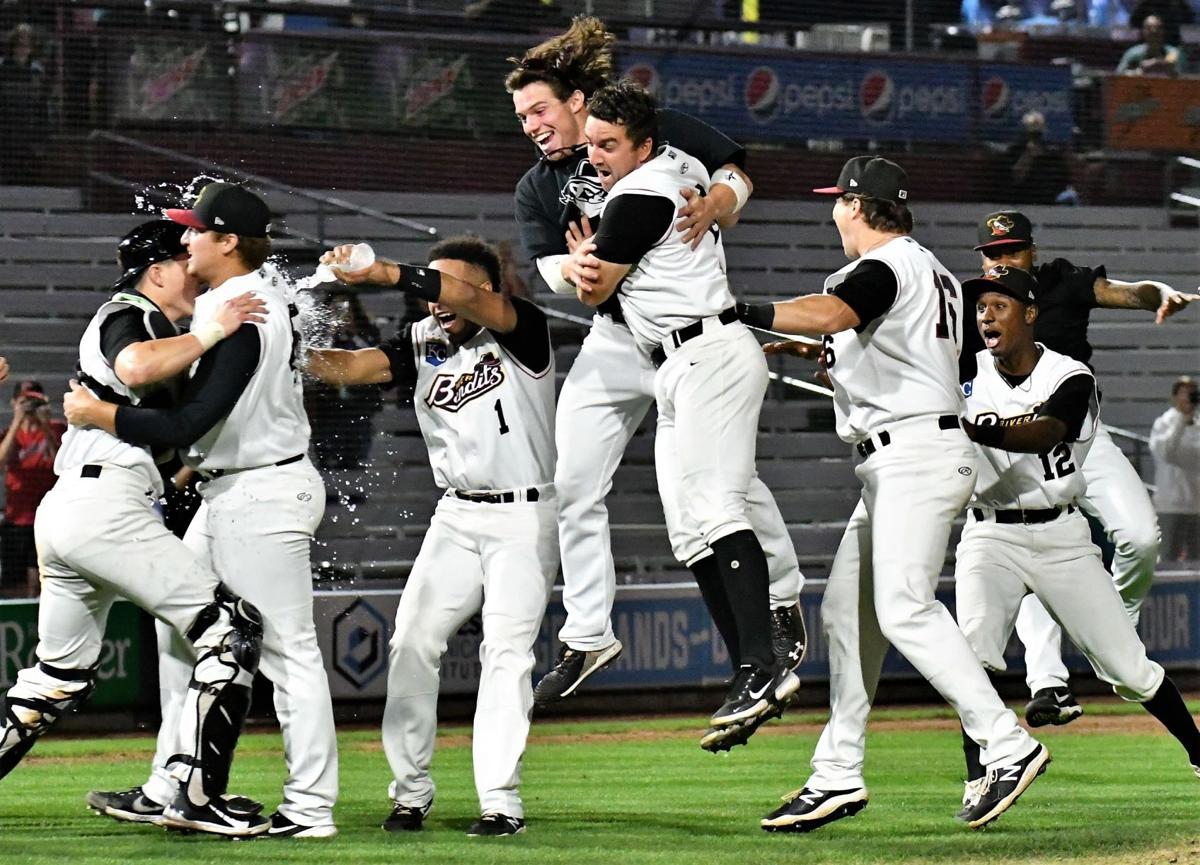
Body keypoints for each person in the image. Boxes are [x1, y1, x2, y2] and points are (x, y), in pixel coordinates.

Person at [508, 17, 806, 730]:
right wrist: (580, 268)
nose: (531, 126)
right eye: (521, 117)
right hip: (622, 338)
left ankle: (778, 612)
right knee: (576, 482)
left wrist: (720, 203)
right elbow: (561, 270)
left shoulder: (649, 136)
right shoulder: (538, 186)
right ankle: (589, 636)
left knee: (721, 492)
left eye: (540, 109)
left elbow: (733, 171)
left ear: (580, 102)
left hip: (689, 340)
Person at [740, 156, 1046, 832]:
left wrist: (747, 311)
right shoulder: (930, 269)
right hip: (903, 455)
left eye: (839, 202)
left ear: (859, 204)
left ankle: (1006, 740)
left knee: (905, 608)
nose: (832, 213)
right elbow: (897, 346)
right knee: (848, 613)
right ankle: (836, 774)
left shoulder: (881, 265)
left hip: (912, 454)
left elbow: (838, 310)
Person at [64, 184, 338, 839]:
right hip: (232, 488)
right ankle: (172, 784)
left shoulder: (243, 308)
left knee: (286, 651)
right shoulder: (233, 303)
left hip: (263, 493)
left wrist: (102, 414)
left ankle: (309, 807)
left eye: (197, 232)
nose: (185, 243)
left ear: (228, 242)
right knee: (182, 628)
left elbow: (192, 417)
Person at [0, 218, 270, 837]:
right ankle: (197, 800)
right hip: (104, 507)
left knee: (58, 678)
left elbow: (161, 430)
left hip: (76, 506)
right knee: (229, 631)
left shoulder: (145, 316)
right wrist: (212, 330)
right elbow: (136, 363)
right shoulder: (131, 311)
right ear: (157, 271)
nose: (195, 274)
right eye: (184, 262)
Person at [307, 236, 557, 838]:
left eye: (447, 285)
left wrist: (389, 271)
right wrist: (279, 343)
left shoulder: (521, 327)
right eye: (429, 285)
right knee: (413, 641)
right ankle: (410, 793)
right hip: (456, 516)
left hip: (525, 515)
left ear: (486, 290)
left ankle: (501, 801)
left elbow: (465, 297)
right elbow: (348, 367)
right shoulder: (422, 342)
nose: (434, 296)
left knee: (506, 653)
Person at [954, 264, 1200, 817]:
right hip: (988, 535)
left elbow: (1046, 431)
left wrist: (975, 428)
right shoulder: (963, 373)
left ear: (1031, 314)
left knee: (1130, 669)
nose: (986, 316)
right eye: (980, 308)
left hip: (1061, 535)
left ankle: (1199, 753)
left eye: (1000, 306)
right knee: (970, 658)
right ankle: (980, 776)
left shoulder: (1070, 375)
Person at [0, 379, 65, 595]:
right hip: (17, 519)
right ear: (14, 402)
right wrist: (18, 421)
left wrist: (45, 425)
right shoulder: (9, 434)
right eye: (24, 401)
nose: (29, 406)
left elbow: (62, 465)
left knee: (43, 583)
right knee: (14, 584)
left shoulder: (56, 428)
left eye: (34, 401)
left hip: (48, 518)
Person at [1150, 376, 1200, 561]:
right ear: (1175, 397)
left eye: (1192, 392)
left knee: (1197, 562)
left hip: (1196, 505)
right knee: (1168, 558)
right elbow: (1167, 453)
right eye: (1184, 392)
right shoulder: (1163, 423)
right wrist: (1182, 421)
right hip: (1170, 504)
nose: (1188, 397)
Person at [1002, 111, 1072, 206]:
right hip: (1021, 202)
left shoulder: (1052, 156)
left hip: (1048, 204)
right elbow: (1015, 179)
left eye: (1037, 134)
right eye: (1031, 134)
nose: (1034, 138)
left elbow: (1062, 182)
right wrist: (1028, 156)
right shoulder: (1014, 152)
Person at [1117, 14, 1187, 75]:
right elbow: (1118, 74)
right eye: (1149, 29)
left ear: (1163, 31)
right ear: (1143, 32)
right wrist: (1137, 72)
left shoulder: (1173, 52)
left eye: (1158, 28)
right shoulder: (1133, 53)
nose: (1154, 31)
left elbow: (1180, 73)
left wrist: (1156, 63)